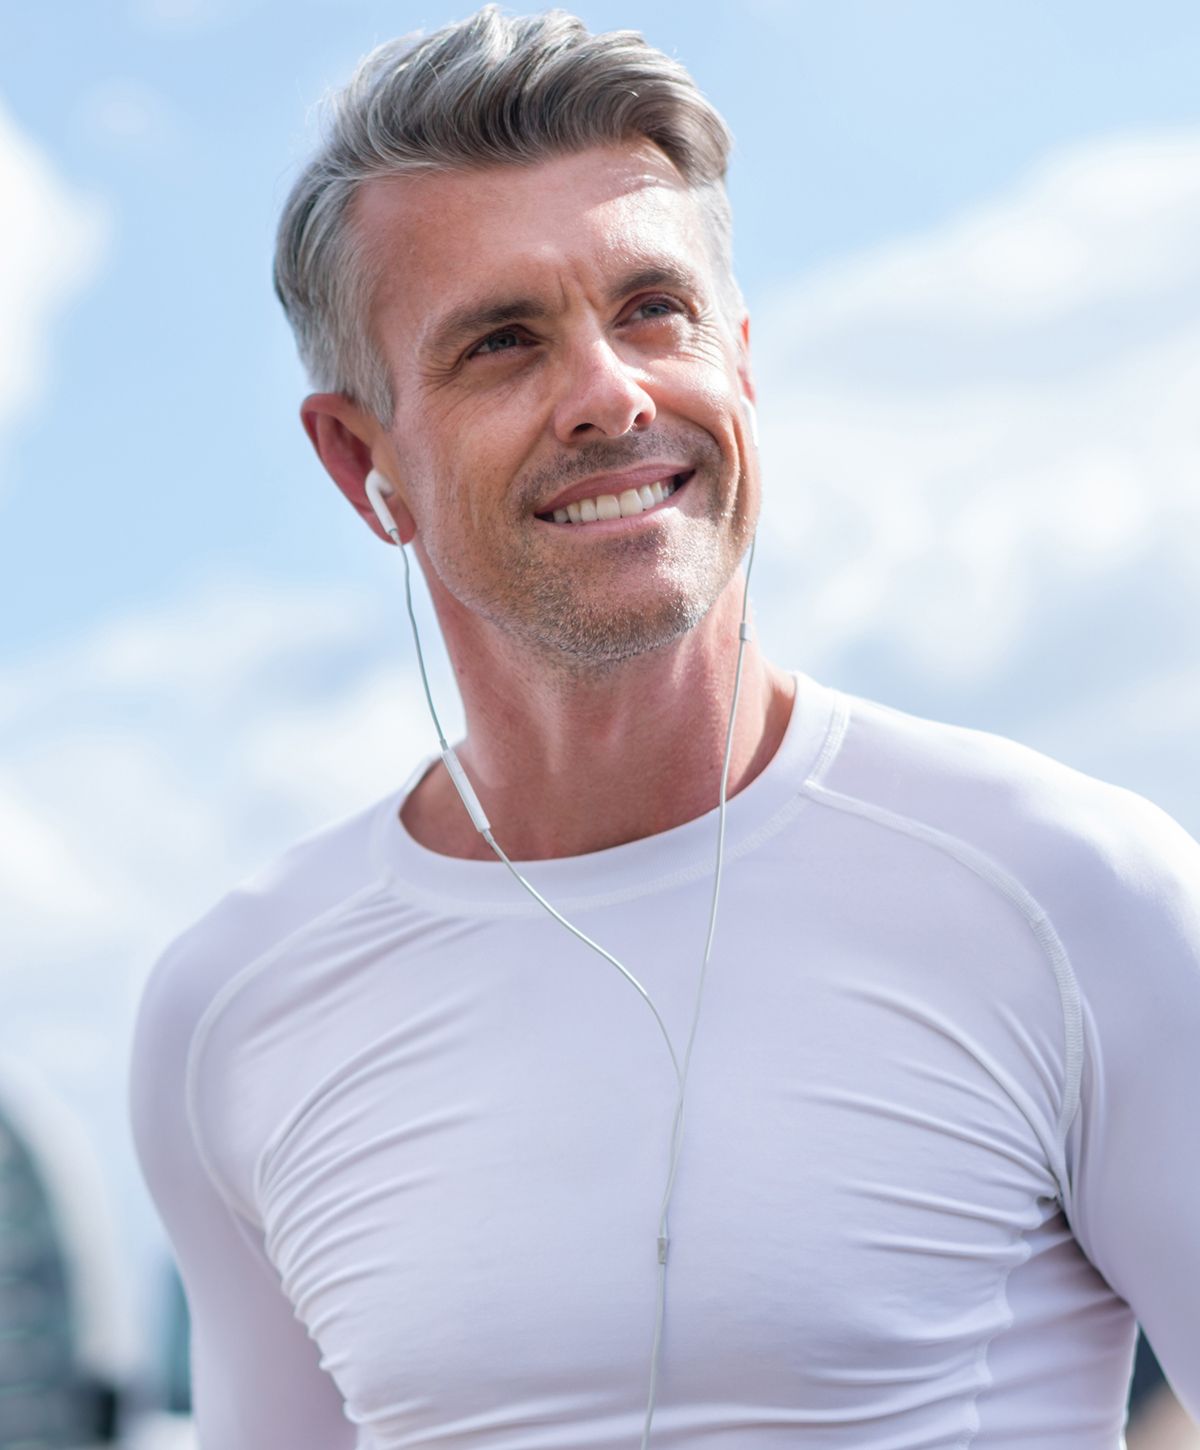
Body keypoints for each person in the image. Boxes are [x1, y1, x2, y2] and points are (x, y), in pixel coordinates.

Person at [129, 8, 1200, 1448]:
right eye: (503, 342)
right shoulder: (231, 1013)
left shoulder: (1082, 893)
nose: (611, 393)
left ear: (741, 360)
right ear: (361, 459)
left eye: (653, 309)